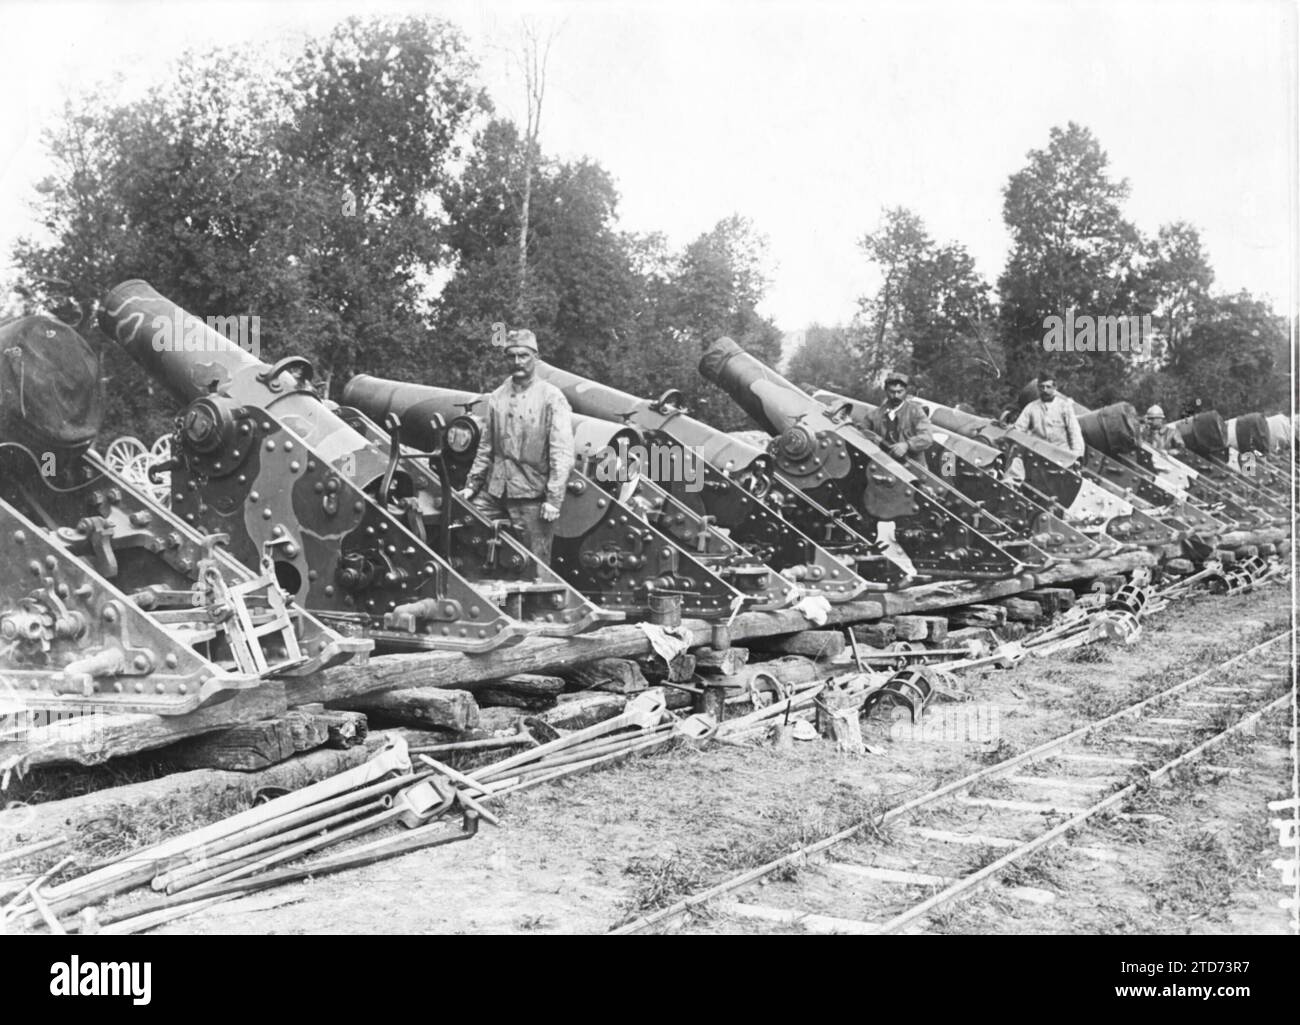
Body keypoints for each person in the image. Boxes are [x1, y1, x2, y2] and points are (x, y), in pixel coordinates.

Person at [459, 329, 574, 569]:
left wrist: (553, 499)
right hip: (495, 491)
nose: (517, 362)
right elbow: (486, 446)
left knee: (535, 565)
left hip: (531, 493)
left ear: (535, 357)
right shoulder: (497, 396)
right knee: (467, 529)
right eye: (511, 356)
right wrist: (471, 486)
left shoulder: (551, 397)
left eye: (523, 356)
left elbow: (561, 453)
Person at [864, 371, 934, 466]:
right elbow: (862, 434)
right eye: (892, 392)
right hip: (883, 466)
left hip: (913, 468)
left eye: (899, 392)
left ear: (906, 391)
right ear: (886, 390)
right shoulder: (873, 415)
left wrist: (907, 445)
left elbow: (927, 438)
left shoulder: (915, 412)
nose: (896, 396)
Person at [1013, 374, 1085, 461]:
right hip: (1036, 453)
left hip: (1060, 456)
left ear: (1055, 388)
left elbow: (1074, 432)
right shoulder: (1031, 407)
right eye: (1042, 387)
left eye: (1048, 387)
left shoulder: (1064, 407)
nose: (1045, 390)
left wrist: (1076, 456)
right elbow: (1019, 429)